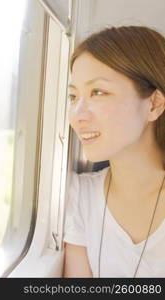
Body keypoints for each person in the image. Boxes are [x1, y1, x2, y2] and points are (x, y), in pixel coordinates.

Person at [62, 25, 165, 278]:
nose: (76, 116)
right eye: (73, 96)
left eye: (98, 92)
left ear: (154, 104)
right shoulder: (79, 196)